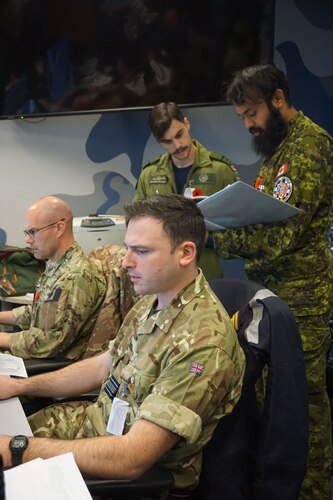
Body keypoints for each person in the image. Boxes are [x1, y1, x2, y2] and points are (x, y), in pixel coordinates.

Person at [0, 194, 245, 493]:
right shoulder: (153, 301)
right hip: (95, 425)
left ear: (185, 253)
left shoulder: (204, 344)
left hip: (128, 477)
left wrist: (18, 448)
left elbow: (133, 457)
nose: (125, 262)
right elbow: (104, 365)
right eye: (128, 247)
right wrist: (19, 386)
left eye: (140, 251)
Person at [213, 64, 333, 500]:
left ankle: (314, 488)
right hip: (275, 295)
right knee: (273, 399)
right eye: (241, 116)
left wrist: (217, 234)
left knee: (303, 402)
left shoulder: (309, 149)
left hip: (303, 296)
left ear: (278, 99)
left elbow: (282, 235)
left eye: (252, 112)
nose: (248, 124)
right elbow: (266, 213)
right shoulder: (280, 148)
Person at [134, 101, 240, 280]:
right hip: (161, 276)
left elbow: (240, 223)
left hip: (206, 274)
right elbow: (135, 222)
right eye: (167, 141)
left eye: (179, 134)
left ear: (187, 123)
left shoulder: (220, 170)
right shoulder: (149, 174)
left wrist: (209, 238)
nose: (177, 145)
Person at [0, 196, 106, 360]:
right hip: (43, 357)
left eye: (33, 232)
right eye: (26, 232)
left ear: (59, 228)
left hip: (55, 366)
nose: (27, 240)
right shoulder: (56, 266)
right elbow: (40, 312)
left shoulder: (75, 275)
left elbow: (49, 342)